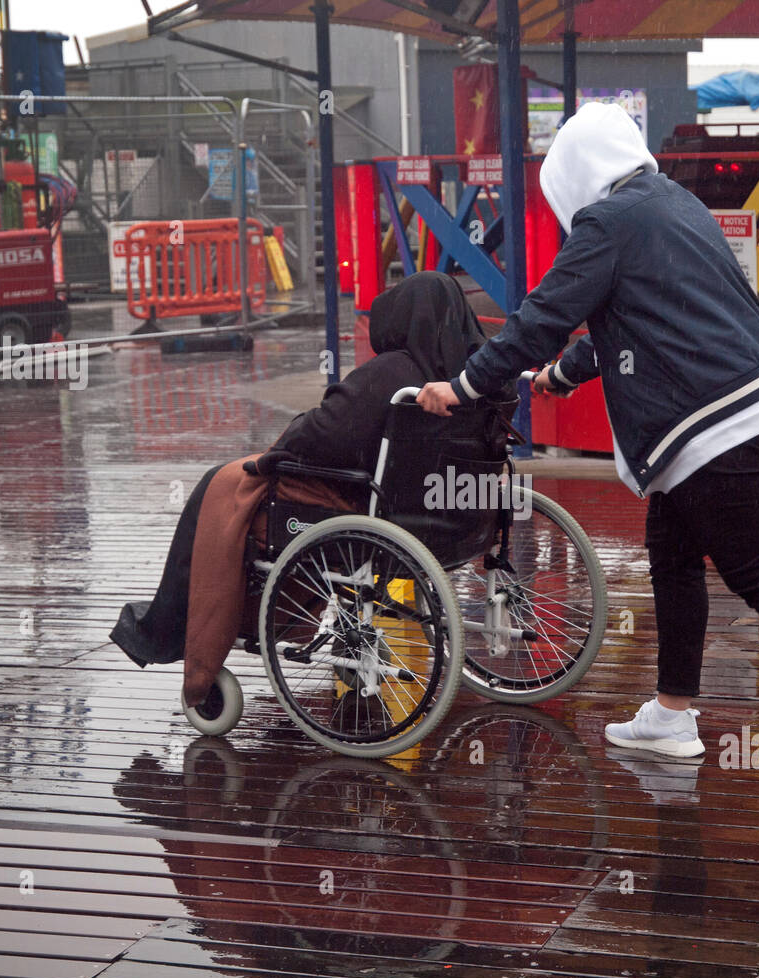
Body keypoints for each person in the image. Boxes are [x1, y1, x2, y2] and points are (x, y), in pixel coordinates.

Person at [416, 102, 759, 787]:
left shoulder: (608, 221)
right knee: (673, 556)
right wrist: (562, 375)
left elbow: (544, 316)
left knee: (757, 570)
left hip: (712, 416)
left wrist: (464, 385)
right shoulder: (672, 204)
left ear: (577, 175)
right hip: (741, 397)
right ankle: (672, 714)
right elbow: (640, 318)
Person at [111, 271, 492, 708]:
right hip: (442, 512)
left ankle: (168, 627)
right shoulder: (468, 379)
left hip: (364, 503)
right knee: (226, 480)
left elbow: (325, 431)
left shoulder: (395, 372)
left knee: (218, 486)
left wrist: (282, 446)